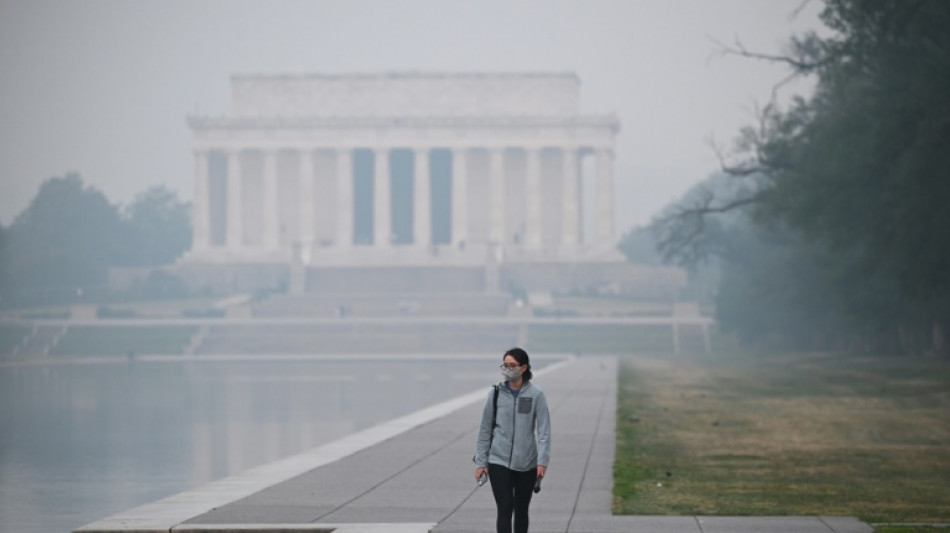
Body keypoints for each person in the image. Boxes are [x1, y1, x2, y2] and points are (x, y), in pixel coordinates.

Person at [474, 347, 551, 533]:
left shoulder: (536, 394)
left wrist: (542, 460)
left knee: (522, 510)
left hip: (527, 462)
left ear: (523, 368)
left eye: (512, 365)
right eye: (505, 365)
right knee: (505, 508)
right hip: (498, 460)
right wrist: (480, 462)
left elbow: (544, 431)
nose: (507, 369)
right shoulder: (495, 393)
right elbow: (484, 429)